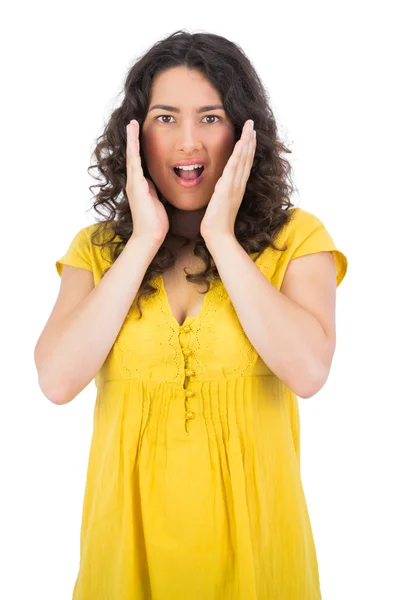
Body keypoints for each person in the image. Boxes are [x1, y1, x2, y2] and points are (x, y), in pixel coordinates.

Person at [34, 30, 348, 599]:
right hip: (126, 563)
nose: (188, 143)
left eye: (210, 118)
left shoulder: (298, 241)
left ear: (244, 132)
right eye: (164, 118)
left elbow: (309, 371)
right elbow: (56, 380)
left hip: (260, 563)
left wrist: (222, 238)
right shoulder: (97, 251)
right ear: (133, 134)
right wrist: (144, 238)